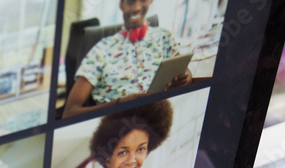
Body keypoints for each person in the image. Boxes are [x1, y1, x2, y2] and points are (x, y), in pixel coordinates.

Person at [63, 0, 193, 118]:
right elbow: (69, 113)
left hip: (162, 116)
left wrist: (185, 78)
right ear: (121, 4)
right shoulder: (101, 50)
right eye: (131, 2)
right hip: (118, 123)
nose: (136, 7)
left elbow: (187, 74)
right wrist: (119, 104)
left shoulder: (164, 38)